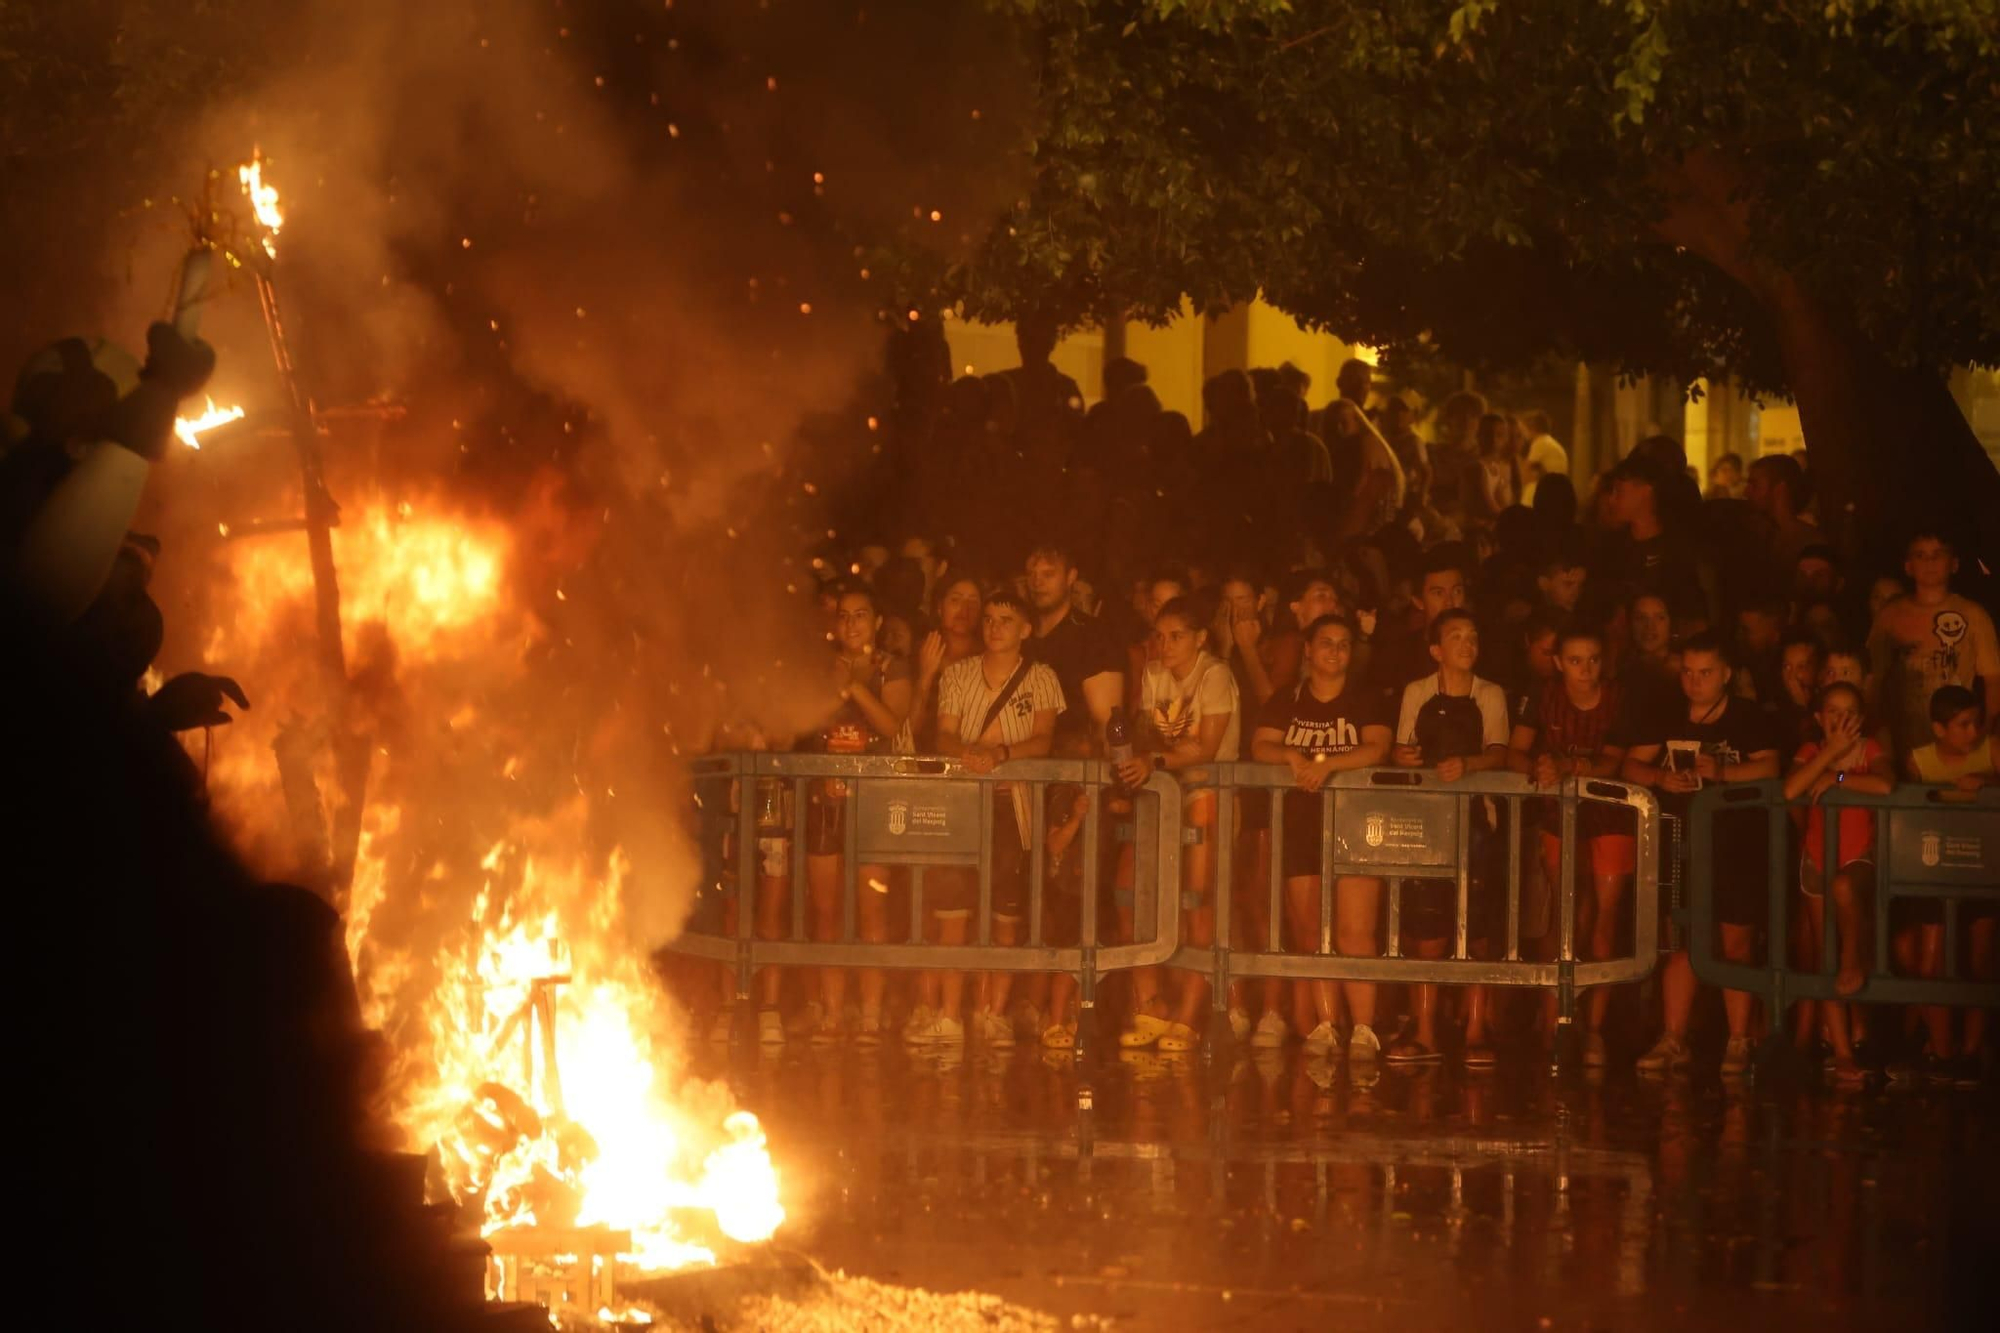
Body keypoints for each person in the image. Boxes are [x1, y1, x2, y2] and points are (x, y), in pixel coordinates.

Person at [1621, 633, 1780, 1076]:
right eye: (1687, 672)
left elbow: (1771, 768)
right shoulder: (1665, 712)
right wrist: (1658, 777)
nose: (1694, 681)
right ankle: (1674, 1037)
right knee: (1682, 941)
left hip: (1738, 844)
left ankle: (1738, 1039)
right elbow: (1629, 764)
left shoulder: (1748, 717)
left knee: (1736, 941)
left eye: (1705, 672)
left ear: (1726, 674)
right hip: (1682, 845)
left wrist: (1725, 772)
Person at [1248, 613, 1393, 1061]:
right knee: (1310, 929)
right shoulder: (1286, 700)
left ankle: (1365, 1029)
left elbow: (1377, 747)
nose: (1335, 651)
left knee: (1355, 930)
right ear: (1308, 650)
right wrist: (1292, 755)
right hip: (1301, 824)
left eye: (1344, 643)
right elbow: (1259, 745)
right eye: (1326, 642)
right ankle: (1326, 1023)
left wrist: (1329, 764)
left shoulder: (1365, 698)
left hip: (1356, 826)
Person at [925, 591, 1065, 1048]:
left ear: (1026, 629)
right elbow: (943, 733)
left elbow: (1044, 740)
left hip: (1012, 806)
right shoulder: (958, 673)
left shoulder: (1042, 677)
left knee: (1006, 914)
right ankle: (948, 1015)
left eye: (1005, 620)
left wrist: (1001, 754)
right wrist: (967, 753)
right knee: (952, 912)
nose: (993, 627)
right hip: (961, 808)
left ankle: (994, 1012)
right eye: (988, 619)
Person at [1114, 596, 1241, 1053]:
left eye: (1177, 636)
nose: (1165, 645)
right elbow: (1147, 731)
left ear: (1200, 637)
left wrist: (1155, 759)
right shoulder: (1152, 673)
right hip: (1161, 795)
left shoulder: (1215, 675)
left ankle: (1189, 1014)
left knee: (1198, 903)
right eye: (1160, 635)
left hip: (1207, 794)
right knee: (1132, 892)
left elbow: (1207, 746)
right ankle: (1150, 1003)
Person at [1506, 622, 1634, 1065]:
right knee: (1564, 916)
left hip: (1611, 816)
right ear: (1558, 662)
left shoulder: (1618, 698)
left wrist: (1570, 765)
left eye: (1594, 660)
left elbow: (1615, 761)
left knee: (1605, 916)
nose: (1586, 670)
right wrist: (1539, 768)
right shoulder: (1543, 696)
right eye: (1576, 661)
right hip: (1558, 817)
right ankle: (1554, 1018)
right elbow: (1514, 752)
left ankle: (1594, 1028)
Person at [1389, 609, 1512, 1065]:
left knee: (1478, 927)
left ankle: (1477, 1030)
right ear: (1436, 650)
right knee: (1427, 926)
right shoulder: (1416, 693)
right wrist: (1403, 756)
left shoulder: (1491, 694)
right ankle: (1425, 1033)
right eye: (1456, 636)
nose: (1467, 642)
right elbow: (1403, 747)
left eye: (1473, 634)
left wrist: (1468, 765)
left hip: (1480, 823)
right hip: (1425, 823)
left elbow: (1500, 753)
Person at [803, 582, 912, 1044]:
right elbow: (805, 721)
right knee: (826, 910)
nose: (850, 624)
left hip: (875, 801)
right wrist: (833, 681)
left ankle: (869, 1012)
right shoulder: (816, 667)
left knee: (873, 910)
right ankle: (830, 1010)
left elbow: (893, 724)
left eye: (860, 615)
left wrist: (854, 685)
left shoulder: (893, 668)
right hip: (825, 798)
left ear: (878, 621)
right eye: (843, 615)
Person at [1783, 681, 1892, 1084]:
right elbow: (1792, 788)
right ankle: (1844, 1051)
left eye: (1849, 712)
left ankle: (1854, 965)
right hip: (1816, 860)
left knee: (1845, 891)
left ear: (1860, 720)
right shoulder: (1811, 752)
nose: (1840, 719)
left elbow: (1884, 784)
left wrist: (1839, 778)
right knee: (1824, 955)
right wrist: (1828, 756)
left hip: (1857, 857)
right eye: (1832, 710)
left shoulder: (1870, 750)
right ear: (1818, 718)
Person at [1903, 685, 1997, 1082]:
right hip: (1932, 875)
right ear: (1939, 729)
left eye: (1976, 722)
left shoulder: (1992, 751)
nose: (1973, 731)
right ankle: (1942, 1053)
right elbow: (1899, 801)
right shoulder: (1917, 760)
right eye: (1963, 725)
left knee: (1981, 962)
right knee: (1931, 964)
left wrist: (1991, 784)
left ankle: (1970, 1054)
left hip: (1984, 872)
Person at [1866, 530, 2000, 762]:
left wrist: (1986, 731)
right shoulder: (1890, 616)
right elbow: (1874, 679)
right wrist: (1875, 732)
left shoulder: (1974, 615)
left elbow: (1993, 679)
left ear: (1954, 564)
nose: (1929, 561)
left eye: (1938, 554)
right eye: (1920, 555)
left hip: (1956, 747)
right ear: (1908, 566)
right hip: (1900, 746)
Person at [905, 573, 984, 753]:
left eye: (972, 602)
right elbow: (909, 730)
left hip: (977, 759)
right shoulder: (921, 652)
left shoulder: (991, 655)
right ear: (940, 607)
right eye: (955, 600)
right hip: (926, 762)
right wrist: (925, 676)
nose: (964, 610)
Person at [1744, 454, 1818, 579]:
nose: (1745, 492)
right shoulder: (1757, 534)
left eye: (1755, 485)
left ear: (1780, 489)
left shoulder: (1807, 543)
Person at [1518, 410, 1568, 506]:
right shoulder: (1550, 442)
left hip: (1546, 492)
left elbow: (1525, 472)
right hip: (1556, 491)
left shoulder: (1541, 442)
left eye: (1523, 429)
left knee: (1529, 490)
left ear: (1531, 428)